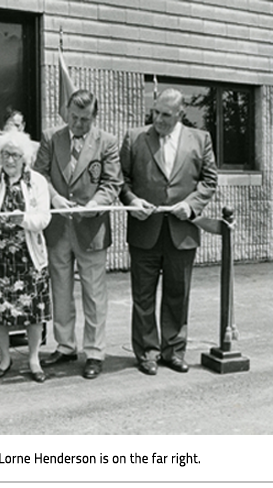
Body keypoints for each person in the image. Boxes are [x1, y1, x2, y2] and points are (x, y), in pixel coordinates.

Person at [119, 88, 218, 375]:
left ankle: (173, 350)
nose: (158, 119)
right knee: (143, 296)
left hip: (182, 230)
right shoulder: (134, 138)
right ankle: (147, 352)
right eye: (155, 112)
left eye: (165, 114)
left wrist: (191, 205)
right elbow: (121, 180)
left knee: (178, 294)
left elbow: (209, 180)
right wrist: (131, 200)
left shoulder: (201, 139)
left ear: (179, 114)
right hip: (144, 230)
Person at [34, 89, 122, 380]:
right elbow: (39, 175)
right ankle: (65, 345)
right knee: (60, 289)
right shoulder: (51, 138)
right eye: (74, 117)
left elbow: (112, 183)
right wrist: (54, 197)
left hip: (91, 228)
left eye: (85, 119)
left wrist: (96, 204)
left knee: (94, 293)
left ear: (94, 118)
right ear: (66, 112)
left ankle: (95, 352)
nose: (78, 124)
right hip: (58, 228)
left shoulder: (107, 142)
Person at [0, 131, 52, 383]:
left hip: (28, 256)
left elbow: (44, 218)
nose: (9, 160)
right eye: (5, 154)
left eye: (15, 155)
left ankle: (33, 359)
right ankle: (4, 358)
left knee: (34, 311)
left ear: (25, 158)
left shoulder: (37, 181)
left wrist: (22, 219)